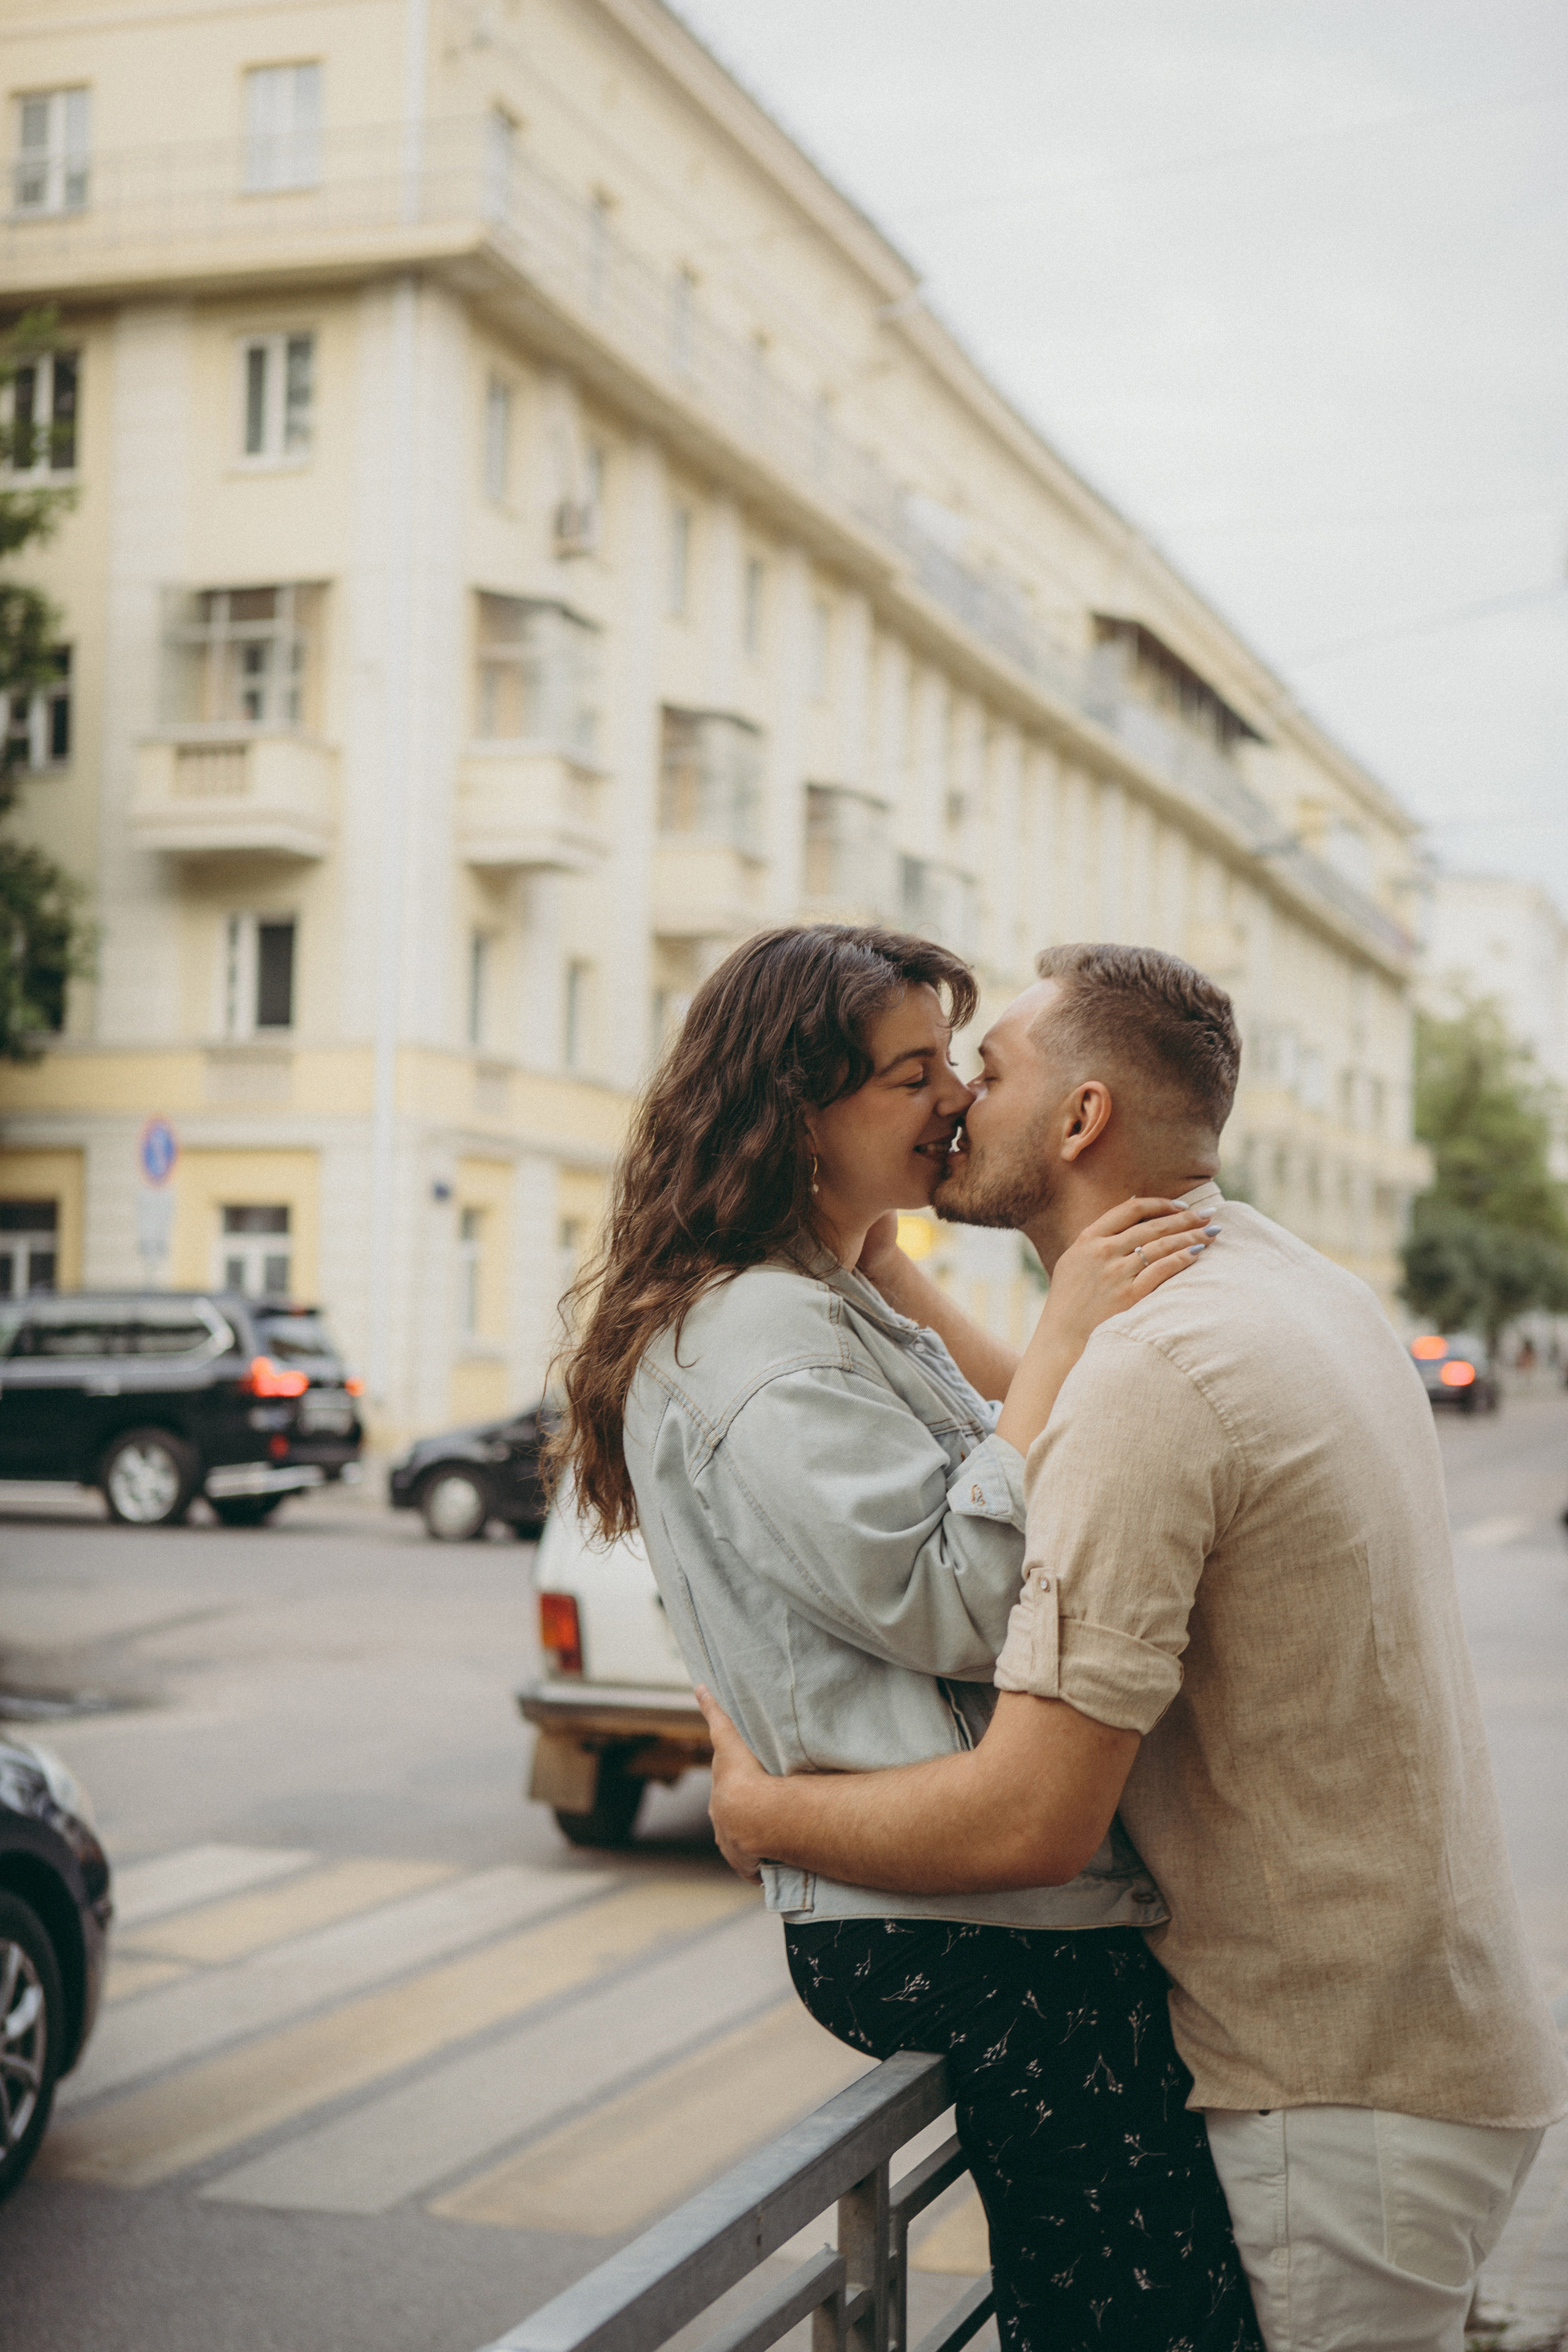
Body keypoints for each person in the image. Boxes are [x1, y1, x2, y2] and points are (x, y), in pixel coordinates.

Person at [699, 940, 1568, 2352]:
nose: (953, 1105)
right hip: (1428, 2054)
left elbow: (1037, 1815)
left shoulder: (1150, 1376)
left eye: (983, 1073)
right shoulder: (1285, 1285)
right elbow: (1089, 1408)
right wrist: (898, 1281)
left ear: (1080, 1120)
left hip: (1323, 2104)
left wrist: (761, 1814)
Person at [553, 923, 1261, 2352]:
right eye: (909, 1074)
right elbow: (956, 1600)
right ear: (797, 1116)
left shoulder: (820, 1302)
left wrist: (893, 1262)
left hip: (980, 1907)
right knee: (1137, 2317)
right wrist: (1062, 1332)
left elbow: (1002, 1468)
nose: (948, 1096)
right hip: (957, 1924)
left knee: (1121, 2297)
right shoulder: (757, 1338)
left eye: (951, 1062)